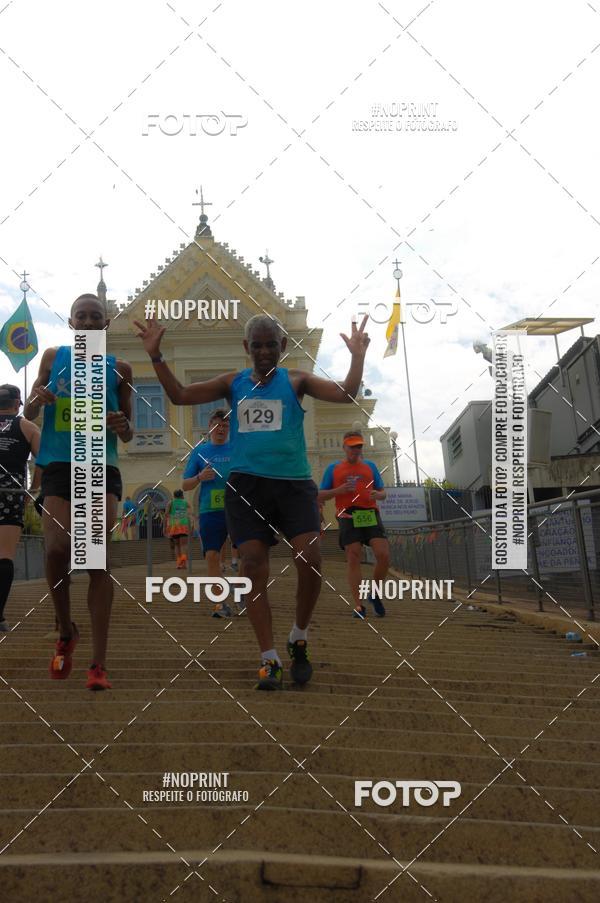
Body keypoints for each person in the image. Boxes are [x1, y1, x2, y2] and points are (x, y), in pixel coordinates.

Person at [134, 311, 370, 690]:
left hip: (294, 485)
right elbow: (179, 395)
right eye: (257, 345)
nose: (263, 351)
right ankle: (269, 658)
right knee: (252, 565)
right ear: (247, 348)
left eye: (270, 344)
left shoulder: (298, 381)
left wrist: (357, 356)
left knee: (309, 558)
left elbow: (346, 393)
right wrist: (156, 356)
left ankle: (298, 636)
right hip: (247, 486)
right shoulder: (233, 383)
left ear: (283, 347)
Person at [24, 293, 133, 690]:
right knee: (55, 550)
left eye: (95, 317)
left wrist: (121, 425)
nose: (88, 322)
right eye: (81, 316)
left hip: (102, 466)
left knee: (95, 557)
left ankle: (98, 663)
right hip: (57, 464)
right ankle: (66, 628)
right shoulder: (54, 358)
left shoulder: (120, 369)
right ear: (71, 323)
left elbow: (129, 430)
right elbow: (30, 412)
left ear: (105, 324)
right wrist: (37, 399)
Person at [318, 430, 389, 619]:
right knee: (353, 555)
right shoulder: (333, 468)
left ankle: (373, 593)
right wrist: (339, 490)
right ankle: (358, 605)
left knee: (383, 555)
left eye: (359, 446)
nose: (356, 450)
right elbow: (320, 495)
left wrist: (378, 495)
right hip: (347, 514)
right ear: (344, 447)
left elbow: (383, 492)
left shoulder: (370, 466)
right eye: (352, 446)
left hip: (369, 512)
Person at [182, 409, 234, 617]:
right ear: (210, 428)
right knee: (212, 556)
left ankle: (243, 595)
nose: (221, 429)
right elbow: (185, 485)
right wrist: (200, 477)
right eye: (217, 425)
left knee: (249, 555)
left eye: (225, 426)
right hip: (209, 511)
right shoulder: (199, 452)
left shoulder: (238, 448)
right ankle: (219, 604)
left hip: (237, 509)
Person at [0, 385, 41, 631]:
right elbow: (43, 461)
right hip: (10, 494)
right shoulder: (27, 427)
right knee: (4, 555)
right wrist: (32, 489)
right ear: (17, 404)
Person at [164, 489, 191, 568]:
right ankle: (184, 563)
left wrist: (165, 526)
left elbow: (166, 514)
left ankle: (179, 563)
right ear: (182, 495)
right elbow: (190, 513)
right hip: (183, 525)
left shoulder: (171, 503)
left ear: (174, 495)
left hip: (174, 526)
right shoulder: (185, 502)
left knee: (177, 545)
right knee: (184, 545)